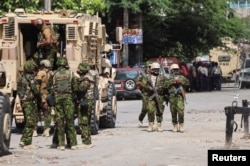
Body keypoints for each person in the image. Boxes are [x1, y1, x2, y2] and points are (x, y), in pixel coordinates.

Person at [50, 57, 77, 150]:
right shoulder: (71, 74)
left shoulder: (54, 75)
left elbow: (51, 88)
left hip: (58, 100)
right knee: (70, 121)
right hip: (68, 100)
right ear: (65, 64)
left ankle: (61, 144)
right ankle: (73, 144)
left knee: (60, 122)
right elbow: (75, 88)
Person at [137, 62, 170, 132]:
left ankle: (159, 125)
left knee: (160, 111)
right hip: (150, 96)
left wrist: (165, 93)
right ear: (151, 69)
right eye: (155, 69)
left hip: (160, 96)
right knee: (150, 110)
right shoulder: (147, 77)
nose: (156, 70)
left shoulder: (162, 77)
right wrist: (148, 87)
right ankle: (150, 125)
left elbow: (167, 85)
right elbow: (142, 84)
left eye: (157, 69)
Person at [17, 60, 40, 150]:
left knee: (28, 121)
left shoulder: (21, 77)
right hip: (30, 102)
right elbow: (35, 90)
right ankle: (26, 142)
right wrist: (39, 97)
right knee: (31, 122)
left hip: (23, 101)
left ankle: (24, 140)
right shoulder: (30, 78)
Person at [72, 62, 95, 149]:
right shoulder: (87, 77)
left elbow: (81, 89)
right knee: (86, 122)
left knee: (83, 122)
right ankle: (87, 141)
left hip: (85, 102)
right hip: (86, 101)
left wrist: (75, 82)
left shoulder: (86, 79)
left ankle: (86, 142)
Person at [33, 59, 54, 137]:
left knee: (35, 113)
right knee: (47, 114)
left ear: (42, 65)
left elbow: (37, 85)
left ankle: (34, 130)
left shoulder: (41, 73)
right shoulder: (51, 73)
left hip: (40, 96)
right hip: (48, 96)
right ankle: (46, 130)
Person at [168, 64, 190, 133]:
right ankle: (175, 125)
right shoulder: (168, 78)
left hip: (180, 97)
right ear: (171, 70)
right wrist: (171, 82)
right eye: (174, 70)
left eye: (177, 69)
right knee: (173, 112)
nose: (176, 71)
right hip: (172, 97)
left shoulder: (181, 77)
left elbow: (188, 83)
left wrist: (181, 82)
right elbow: (163, 85)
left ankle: (181, 125)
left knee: (181, 112)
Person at [136, 60, 152, 126]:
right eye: (149, 67)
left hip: (152, 93)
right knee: (145, 108)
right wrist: (143, 85)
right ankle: (140, 119)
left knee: (151, 108)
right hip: (144, 93)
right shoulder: (142, 74)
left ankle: (150, 122)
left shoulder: (153, 74)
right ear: (146, 67)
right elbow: (137, 82)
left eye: (151, 67)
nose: (150, 69)